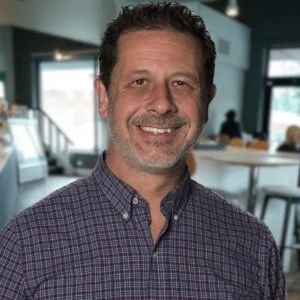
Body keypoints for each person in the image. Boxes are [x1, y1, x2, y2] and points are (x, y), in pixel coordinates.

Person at [0, 2, 285, 299]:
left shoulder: (254, 244)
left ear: (207, 103)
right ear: (103, 97)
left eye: (181, 83)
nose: (161, 103)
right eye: (139, 81)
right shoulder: (25, 244)